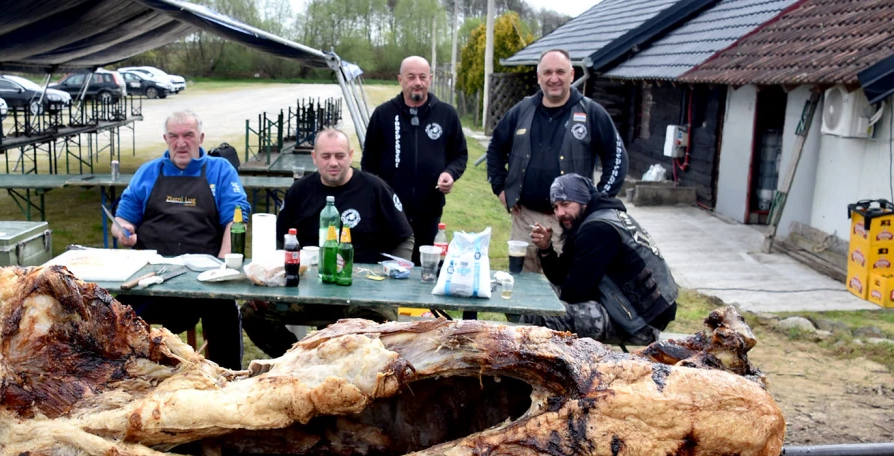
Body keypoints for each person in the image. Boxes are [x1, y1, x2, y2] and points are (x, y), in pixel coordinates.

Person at [241, 128, 414, 358]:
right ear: (314, 157)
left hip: (362, 289)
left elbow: (404, 236)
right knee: (253, 313)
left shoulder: (375, 189)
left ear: (351, 155)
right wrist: (273, 276)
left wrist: (394, 282)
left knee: (375, 325)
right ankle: (296, 361)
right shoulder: (299, 192)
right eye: (326, 156)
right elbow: (279, 239)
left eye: (340, 156)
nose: (333, 163)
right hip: (307, 289)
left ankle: (347, 374)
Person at [110, 109, 251, 370]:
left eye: (188, 135)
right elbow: (122, 220)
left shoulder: (220, 170)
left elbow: (236, 217)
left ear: (201, 137)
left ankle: (228, 380)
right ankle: (126, 380)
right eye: (174, 136)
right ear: (166, 138)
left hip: (204, 274)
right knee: (112, 317)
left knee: (224, 314)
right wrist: (124, 232)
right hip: (151, 274)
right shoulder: (148, 172)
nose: (181, 143)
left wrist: (225, 264)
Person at [487, 49, 628, 274]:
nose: (554, 78)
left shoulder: (591, 112)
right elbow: (495, 149)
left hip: (569, 225)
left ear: (571, 74)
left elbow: (617, 158)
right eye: (548, 72)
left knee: (563, 288)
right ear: (538, 77)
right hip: (524, 218)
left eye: (560, 72)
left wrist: (597, 201)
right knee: (521, 287)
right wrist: (500, 187)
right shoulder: (521, 111)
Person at [520, 174, 677, 345]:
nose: (560, 213)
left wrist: (549, 301)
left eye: (565, 204)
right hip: (631, 310)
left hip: (639, 322)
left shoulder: (598, 229)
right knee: (532, 295)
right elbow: (560, 276)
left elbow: (574, 292)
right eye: (555, 207)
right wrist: (546, 248)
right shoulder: (595, 218)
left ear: (584, 201)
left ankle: (526, 367)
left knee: (540, 314)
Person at [361, 55, 468, 261]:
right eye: (411, 77)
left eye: (422, 77)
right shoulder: (383, 115)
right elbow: (368, 164)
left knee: (424, 272)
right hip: (389, 212)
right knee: (390, 269)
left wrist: (450, 173)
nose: (417, 82)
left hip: (429, 211)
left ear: (430, 78)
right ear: (400, 80)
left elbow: (459, 154)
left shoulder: (447, 114)